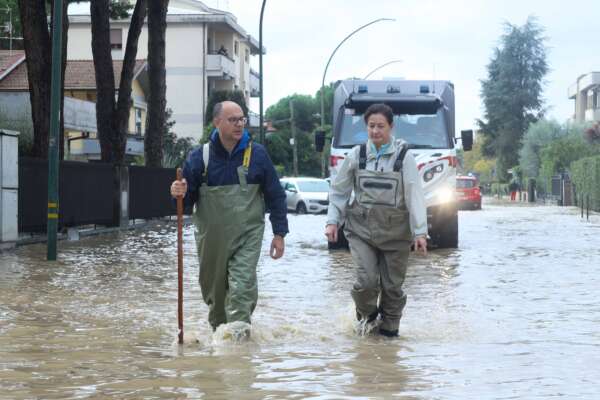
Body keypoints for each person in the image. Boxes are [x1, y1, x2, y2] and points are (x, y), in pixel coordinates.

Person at [170, 101, 288, 334]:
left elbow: (276, 195)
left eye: (242, 119)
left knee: (242, 288)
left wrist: (279, 233)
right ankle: (220, 342)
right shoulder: (199, 157)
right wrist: (177, 193)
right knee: (216, 295)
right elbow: (186, 201)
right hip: (211, 239)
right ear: (217, 122)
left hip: (248, 235)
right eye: (233, 119)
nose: (239, 124)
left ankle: (238, 346)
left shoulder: (258, 154)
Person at [325, 103, 428, 338]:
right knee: (366, 282)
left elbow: (415, 196)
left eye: (380, 126)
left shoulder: (405, 157)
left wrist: (420, 232)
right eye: (371, 126)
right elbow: (339, 191)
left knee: (392, 288)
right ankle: (367, 319)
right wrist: (332, 221)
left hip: (397, 235)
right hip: (362, 231)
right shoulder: (356, 155)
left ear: (391, 127)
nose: (375, 131)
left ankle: (390, 333)